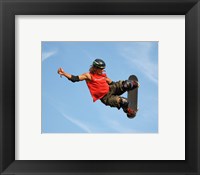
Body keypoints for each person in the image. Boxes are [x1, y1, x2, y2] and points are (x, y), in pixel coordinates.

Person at [57, 58, 139, 117]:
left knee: (126, 84)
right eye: (101, 69)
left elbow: (111, 82)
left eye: (103, 69)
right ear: (95, 68)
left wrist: (123, 87)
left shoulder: (103, 75)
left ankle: (131, 85)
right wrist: (64, 73)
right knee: (123, 101)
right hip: (105, 98)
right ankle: (127, 109)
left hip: (111, 89)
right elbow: (74, 78)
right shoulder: (88, 75)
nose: (103, 71)